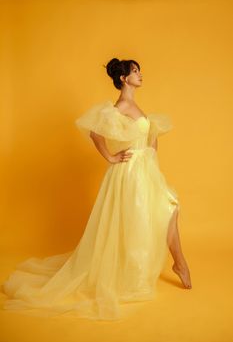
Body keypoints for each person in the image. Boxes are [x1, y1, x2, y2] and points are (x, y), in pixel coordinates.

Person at [1, 58, 191, 321]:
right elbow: (95, 133)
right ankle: (178, 263)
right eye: (135, 71)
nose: (140, 74)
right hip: (130, 172)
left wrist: (151, 145)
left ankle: (178, 262)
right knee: (159, 212)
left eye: (139, 70)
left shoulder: (135, 104)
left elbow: (146, 135)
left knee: (168, 208)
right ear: (123, 78)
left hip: (145, 169)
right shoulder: (122, 105)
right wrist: (111, 157)